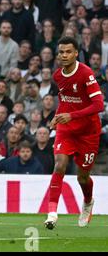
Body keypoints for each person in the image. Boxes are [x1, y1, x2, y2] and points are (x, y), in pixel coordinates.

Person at [44, 36, 104, 230]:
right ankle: (52, 213)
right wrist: (58, 115)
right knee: (59, 165)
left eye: (68, 51)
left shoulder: (86, 74)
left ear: (76, 53)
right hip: (67, 130)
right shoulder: (57, 76)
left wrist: (72, 115)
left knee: (82, 177)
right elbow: (64, 101)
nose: (64, 55)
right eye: (61, 52)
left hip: (88, 132)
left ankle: (87, 202)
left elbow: (99, 104)